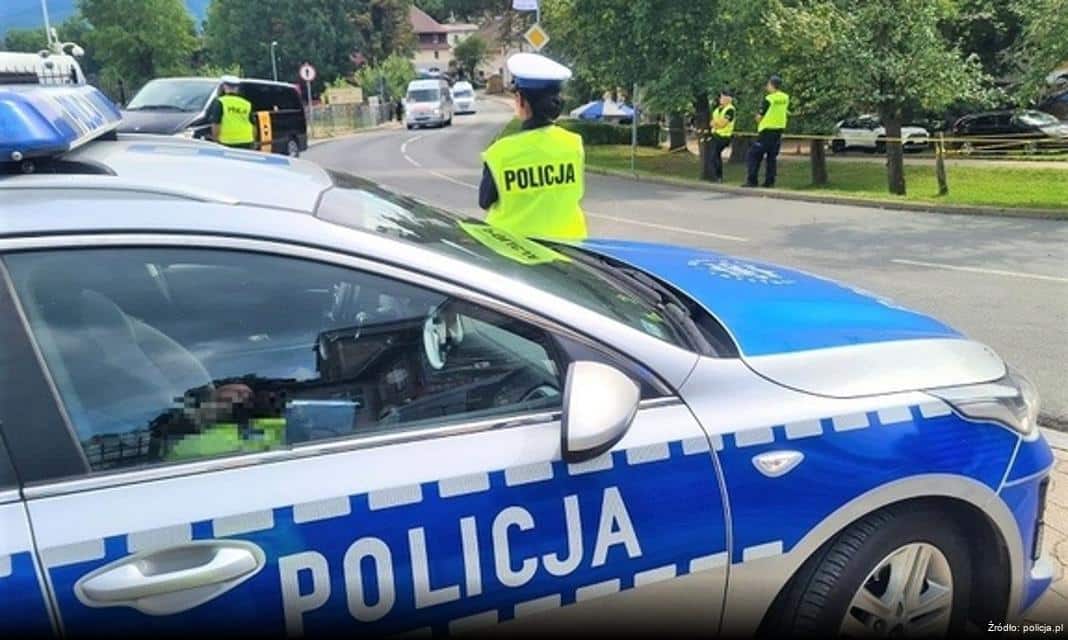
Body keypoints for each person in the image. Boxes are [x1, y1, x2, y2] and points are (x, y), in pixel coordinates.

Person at [478, 53, 587, 240]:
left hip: (515, 251)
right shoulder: (573, 143)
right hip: (569, 247)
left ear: (521, 100)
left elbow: (485, 201)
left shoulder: (500, 153)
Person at [744, 75, 790, 188]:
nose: (767, 86)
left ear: (771, 85)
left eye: (768, 84)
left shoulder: (769, 99)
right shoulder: (785, 97)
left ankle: (752, 180)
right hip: (778, 130)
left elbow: (760, 116)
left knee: (753, 154)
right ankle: (770, 182)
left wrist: (757, 118)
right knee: (771, 157)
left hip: (766, 131)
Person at [207, 75, 255, 150]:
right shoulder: (246, 103)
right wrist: (253, 140)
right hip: (247, 140)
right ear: (237, 88)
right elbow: (253, 125)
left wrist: (215, 140)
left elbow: (216, 123)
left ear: (224, 87)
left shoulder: (220, 102)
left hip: (227, 141)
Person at [707, 89, 736, 182]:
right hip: (715, 134)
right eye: (721, 96)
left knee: (715, 155)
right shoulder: (717, 110)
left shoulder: (730, 110)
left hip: (724, 136)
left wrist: (716, 124)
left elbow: (723, 124)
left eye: (723, 97)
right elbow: (711, 122)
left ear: (729, 98)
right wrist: (716, 124)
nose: (721, 99)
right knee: (714, 155)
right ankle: (716, 176)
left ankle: (718, 176)